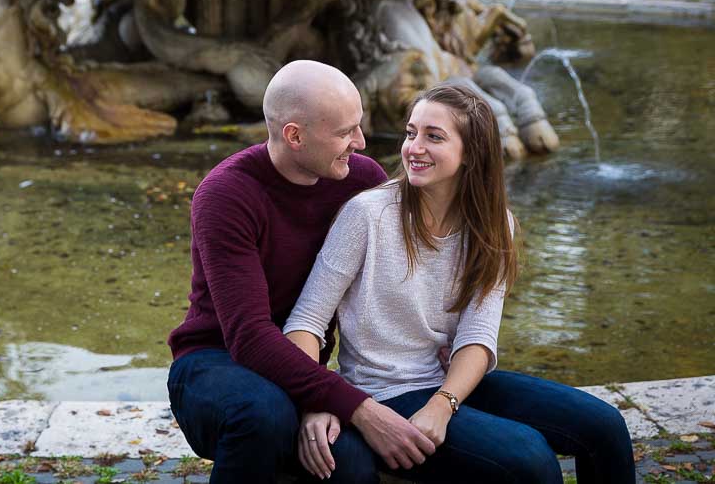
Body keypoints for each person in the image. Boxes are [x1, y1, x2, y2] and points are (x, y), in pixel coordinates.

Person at [284, 83, 635, 483]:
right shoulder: (367, 215)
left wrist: (443, 403)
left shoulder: (492, 223)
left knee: (605, 427)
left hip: (452, 384)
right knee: (531, 461)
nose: (414, 148)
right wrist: (319, 399)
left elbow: (478, 337)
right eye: (411, 133)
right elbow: (306, 322)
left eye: (434, 137)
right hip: (382, 392)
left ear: (471, 154)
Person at [167, 60, 440, 484]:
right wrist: (358, 407)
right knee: (263, 413)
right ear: (295, 135)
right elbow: (250, 337)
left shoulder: (360, 179)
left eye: (359, 126)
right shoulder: (226, 195)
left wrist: (440, 338)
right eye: (345, 132)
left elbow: (395, 277)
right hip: (213, 362)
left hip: (304, 360)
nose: (361, 142)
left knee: (348, 460)